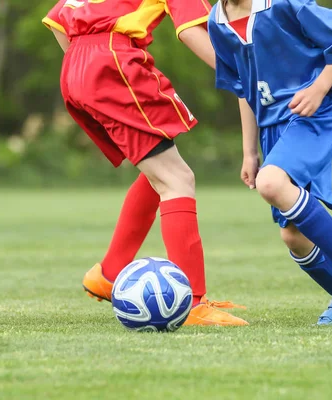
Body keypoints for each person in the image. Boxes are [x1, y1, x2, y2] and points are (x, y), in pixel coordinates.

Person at [42, 0, 248, 326]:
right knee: (177, 179)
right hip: (111, 59)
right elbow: (190, 29)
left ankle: (109, 274)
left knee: (160, 171)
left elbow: (58, 24)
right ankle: (191, 302)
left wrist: (86, 63)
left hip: (77, 64)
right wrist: (244, 73)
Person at [208, 0, 332, 324]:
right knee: (294, 236)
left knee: (271, 183)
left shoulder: (283, 4)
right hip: (271, 128)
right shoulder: (216, 23)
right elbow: (243, 90)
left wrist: (319, 88)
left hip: (313, 114)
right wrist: (250, 152)